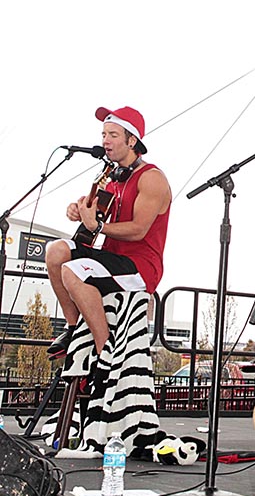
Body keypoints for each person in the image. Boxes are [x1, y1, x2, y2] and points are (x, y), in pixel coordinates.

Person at [46, 106, 172, 357]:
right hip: (111, 258)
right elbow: (94, 216)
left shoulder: (152, 178)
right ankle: (72, 328)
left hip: (140, 267)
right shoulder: (111, 178)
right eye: (103, 134)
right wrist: (78, 210)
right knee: (56, 250)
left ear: (132, 140)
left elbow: (138, 230)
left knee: (73, 271)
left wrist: (99, 226)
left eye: (113, 135)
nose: (105, 141)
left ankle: (105, 352)